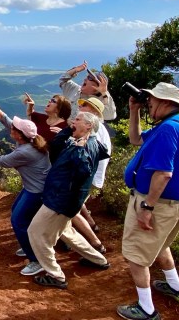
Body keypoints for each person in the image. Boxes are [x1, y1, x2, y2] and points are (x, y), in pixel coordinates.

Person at [116, 83, 179, 320]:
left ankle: (146, 309)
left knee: (136, 255)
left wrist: (147, 207)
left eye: (152, 99)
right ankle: (175, 286)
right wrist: (134, 111)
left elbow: (163, 173)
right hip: (176, 202)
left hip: (158, 203)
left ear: (165, 102)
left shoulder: (168, 130)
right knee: (161, 243)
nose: (149, 102)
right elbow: (136, 140)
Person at [28, 111, 111, 290]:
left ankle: (55, 275)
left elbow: (84, 171)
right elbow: (54, 147)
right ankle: (98, 260)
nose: (74, 120)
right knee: (67, 231)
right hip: (63, 198)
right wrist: (68, 130)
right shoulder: (80, 141)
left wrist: (79, 150)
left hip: (61, 200)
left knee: (35, 232)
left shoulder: (87, 146)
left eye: (78, 119)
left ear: (89, 126)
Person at [0, 116, 50, 276]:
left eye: (15, 128)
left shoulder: (26, 151)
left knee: (18, 220)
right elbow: (7, 122)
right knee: (16, 212)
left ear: (20, 135)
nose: (11, 128)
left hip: (37, 191)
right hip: (32, 188)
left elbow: (1, 161)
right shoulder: (29, 142)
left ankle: (36, 260)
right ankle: (29, 245)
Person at [69, 97, 111, 252]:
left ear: (94, 111)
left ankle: (95, 244)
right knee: (77, 204)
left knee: (69, 208)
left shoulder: (95, 130)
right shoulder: (97, 128)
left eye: (85, 105)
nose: (81, 107)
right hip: (91, 176)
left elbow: (87, 158)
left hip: (89, 177)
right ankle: (92, 224)